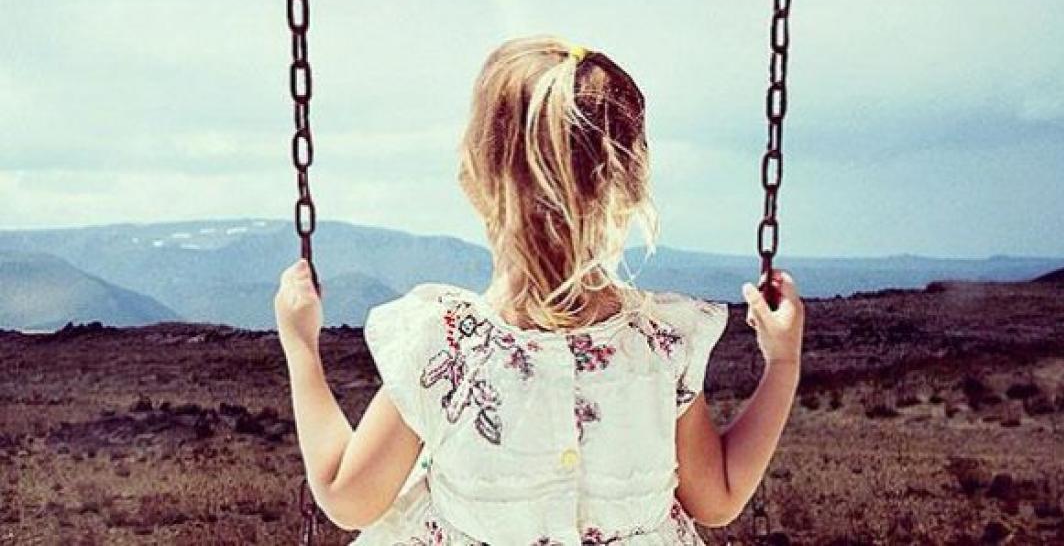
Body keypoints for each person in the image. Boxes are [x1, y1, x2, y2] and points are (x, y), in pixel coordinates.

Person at [274, 36, 804, 545]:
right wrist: (783, 365)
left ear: (476, 179)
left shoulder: (447, 349)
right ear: (628, 183)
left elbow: (348, 498)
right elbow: (718, 498)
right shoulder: (658, 347)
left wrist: (301, 349)